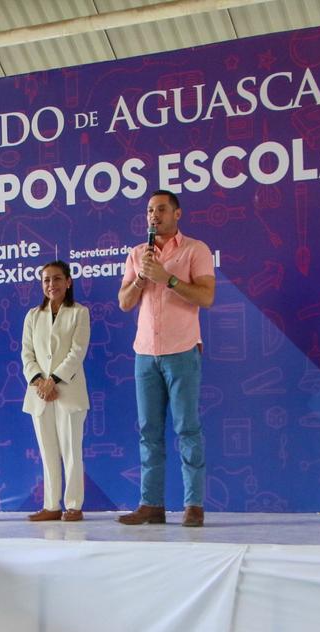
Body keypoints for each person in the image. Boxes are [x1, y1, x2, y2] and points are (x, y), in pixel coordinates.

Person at [117, 189, 216, 527]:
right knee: (149, 432)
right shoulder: (137, 254)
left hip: (182, 351)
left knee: (187, 428)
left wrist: (168, 278)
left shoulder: (195, 250)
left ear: (177, 214)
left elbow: (206, 296)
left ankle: (193, 505)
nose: (153, 216)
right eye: (149, 211)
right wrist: (142, 278)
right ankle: (151, 504)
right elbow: (125, 302)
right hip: (145, 354)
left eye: (160, 209)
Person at [21, 261, 90, 522]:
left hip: (68, 393)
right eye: (47, 280)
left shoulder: (79, 312)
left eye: (57, 278)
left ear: (68, 282)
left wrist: (54, 381)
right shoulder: (32, 316)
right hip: (39, 394)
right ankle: (51, 505)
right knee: (47, 452)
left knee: (71, 451)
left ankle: (73, 505)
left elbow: (77, 352)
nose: (52, 284)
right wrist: (40, 381)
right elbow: (27, 354)